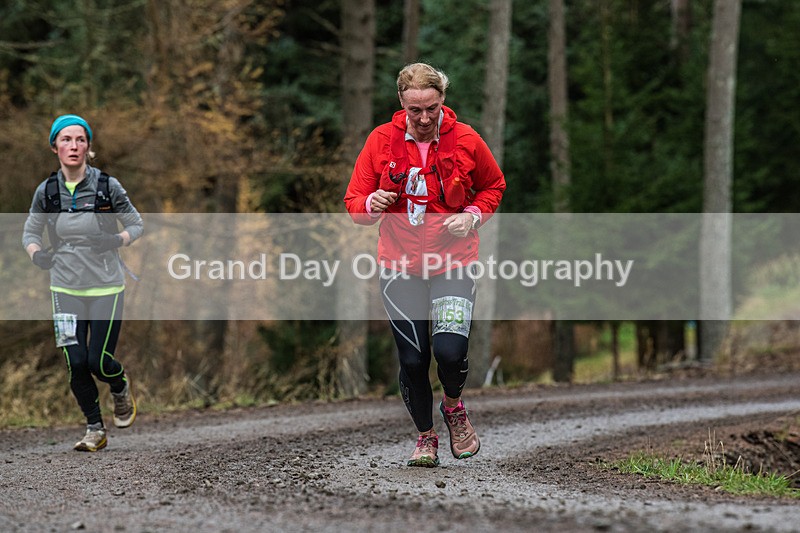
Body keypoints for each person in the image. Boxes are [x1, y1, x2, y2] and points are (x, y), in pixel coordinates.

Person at [344, 63, 506, 467]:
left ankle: (453, 406)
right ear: (401, 102)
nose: (423, 118)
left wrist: (471, 214)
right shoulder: (380, 141)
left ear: (442, 100)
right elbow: (354, 203)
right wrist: (372, 203)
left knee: (450, 353)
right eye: (414, 109)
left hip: (454, 262)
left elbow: (493, 186)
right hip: (399, 266)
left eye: (431, 108)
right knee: (414, 358)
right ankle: (425, 437)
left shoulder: (466, 139)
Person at [23, 114, 144, 452]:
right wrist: (37, 255)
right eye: (66, 140)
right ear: (54, 147)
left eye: (80, 140)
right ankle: (94, 427)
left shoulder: (107, 186)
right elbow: (30, 232)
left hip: (107, 287)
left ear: (89, 147)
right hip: (63, 289)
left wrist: (116, 240)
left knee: (98, 360)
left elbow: (136, 224)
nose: (73, 146)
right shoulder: (46, 191)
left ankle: (119, 385)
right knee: (74, 361)